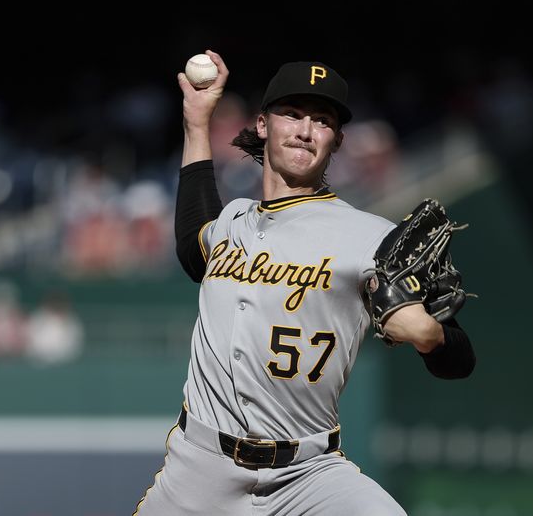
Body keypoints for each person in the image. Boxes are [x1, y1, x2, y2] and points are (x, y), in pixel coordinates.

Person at [133, 50, 475, 516]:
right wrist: (197, 121)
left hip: (308, 475)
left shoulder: (373, 238)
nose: (305, 130)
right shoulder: (232, 220)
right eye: (292, 114)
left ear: (337, 140)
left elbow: (460, 360)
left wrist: (431, 335)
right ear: (262, 124)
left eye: (322, 120)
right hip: (200, 470)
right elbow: (193, 244)